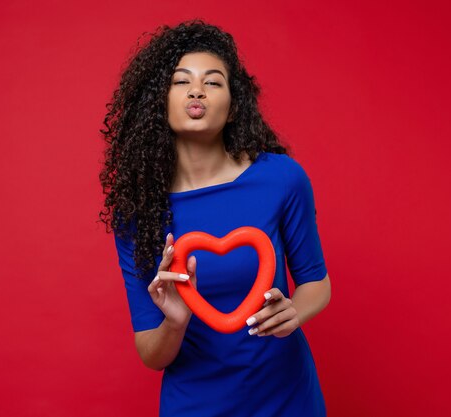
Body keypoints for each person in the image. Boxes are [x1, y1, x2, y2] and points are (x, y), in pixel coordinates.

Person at [99, 19, 331, 417]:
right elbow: (152, 355)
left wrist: (294, 311)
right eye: (180, 81)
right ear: (159, 101)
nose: (197, 91)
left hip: (286, 396)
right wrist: (174, 322)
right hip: (196, 404)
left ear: (234, 103)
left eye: (214, 81)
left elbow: (317, 284)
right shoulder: (139, 212)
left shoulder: (281, 179)